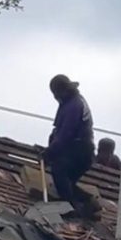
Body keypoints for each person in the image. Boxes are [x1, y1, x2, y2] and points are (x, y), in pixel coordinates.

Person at [42, 74, 94, 211]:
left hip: (80, 150)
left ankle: (70, 207)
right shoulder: (68, 103)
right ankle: (86, 201)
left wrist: (50, 152)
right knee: (66, 181)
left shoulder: (74, 105)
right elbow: (57, 132)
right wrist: (50, 148)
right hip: (75, 148)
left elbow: (66, 134)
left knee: (59, 170)